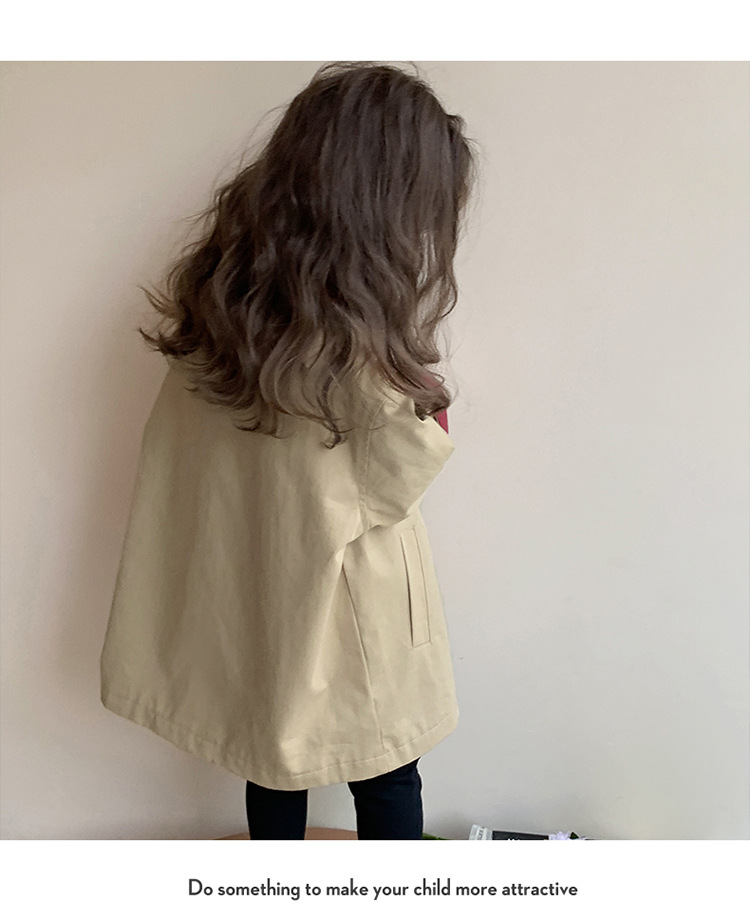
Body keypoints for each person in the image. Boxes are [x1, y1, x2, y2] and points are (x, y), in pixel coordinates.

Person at [99, 61, 476, 840]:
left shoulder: (218, 303)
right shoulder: (356, 347)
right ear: (384, 203)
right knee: (387, 768)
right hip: (346, 595)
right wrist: (428, 403)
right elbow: (398, 473)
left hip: (256, 581)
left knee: (269, 753)